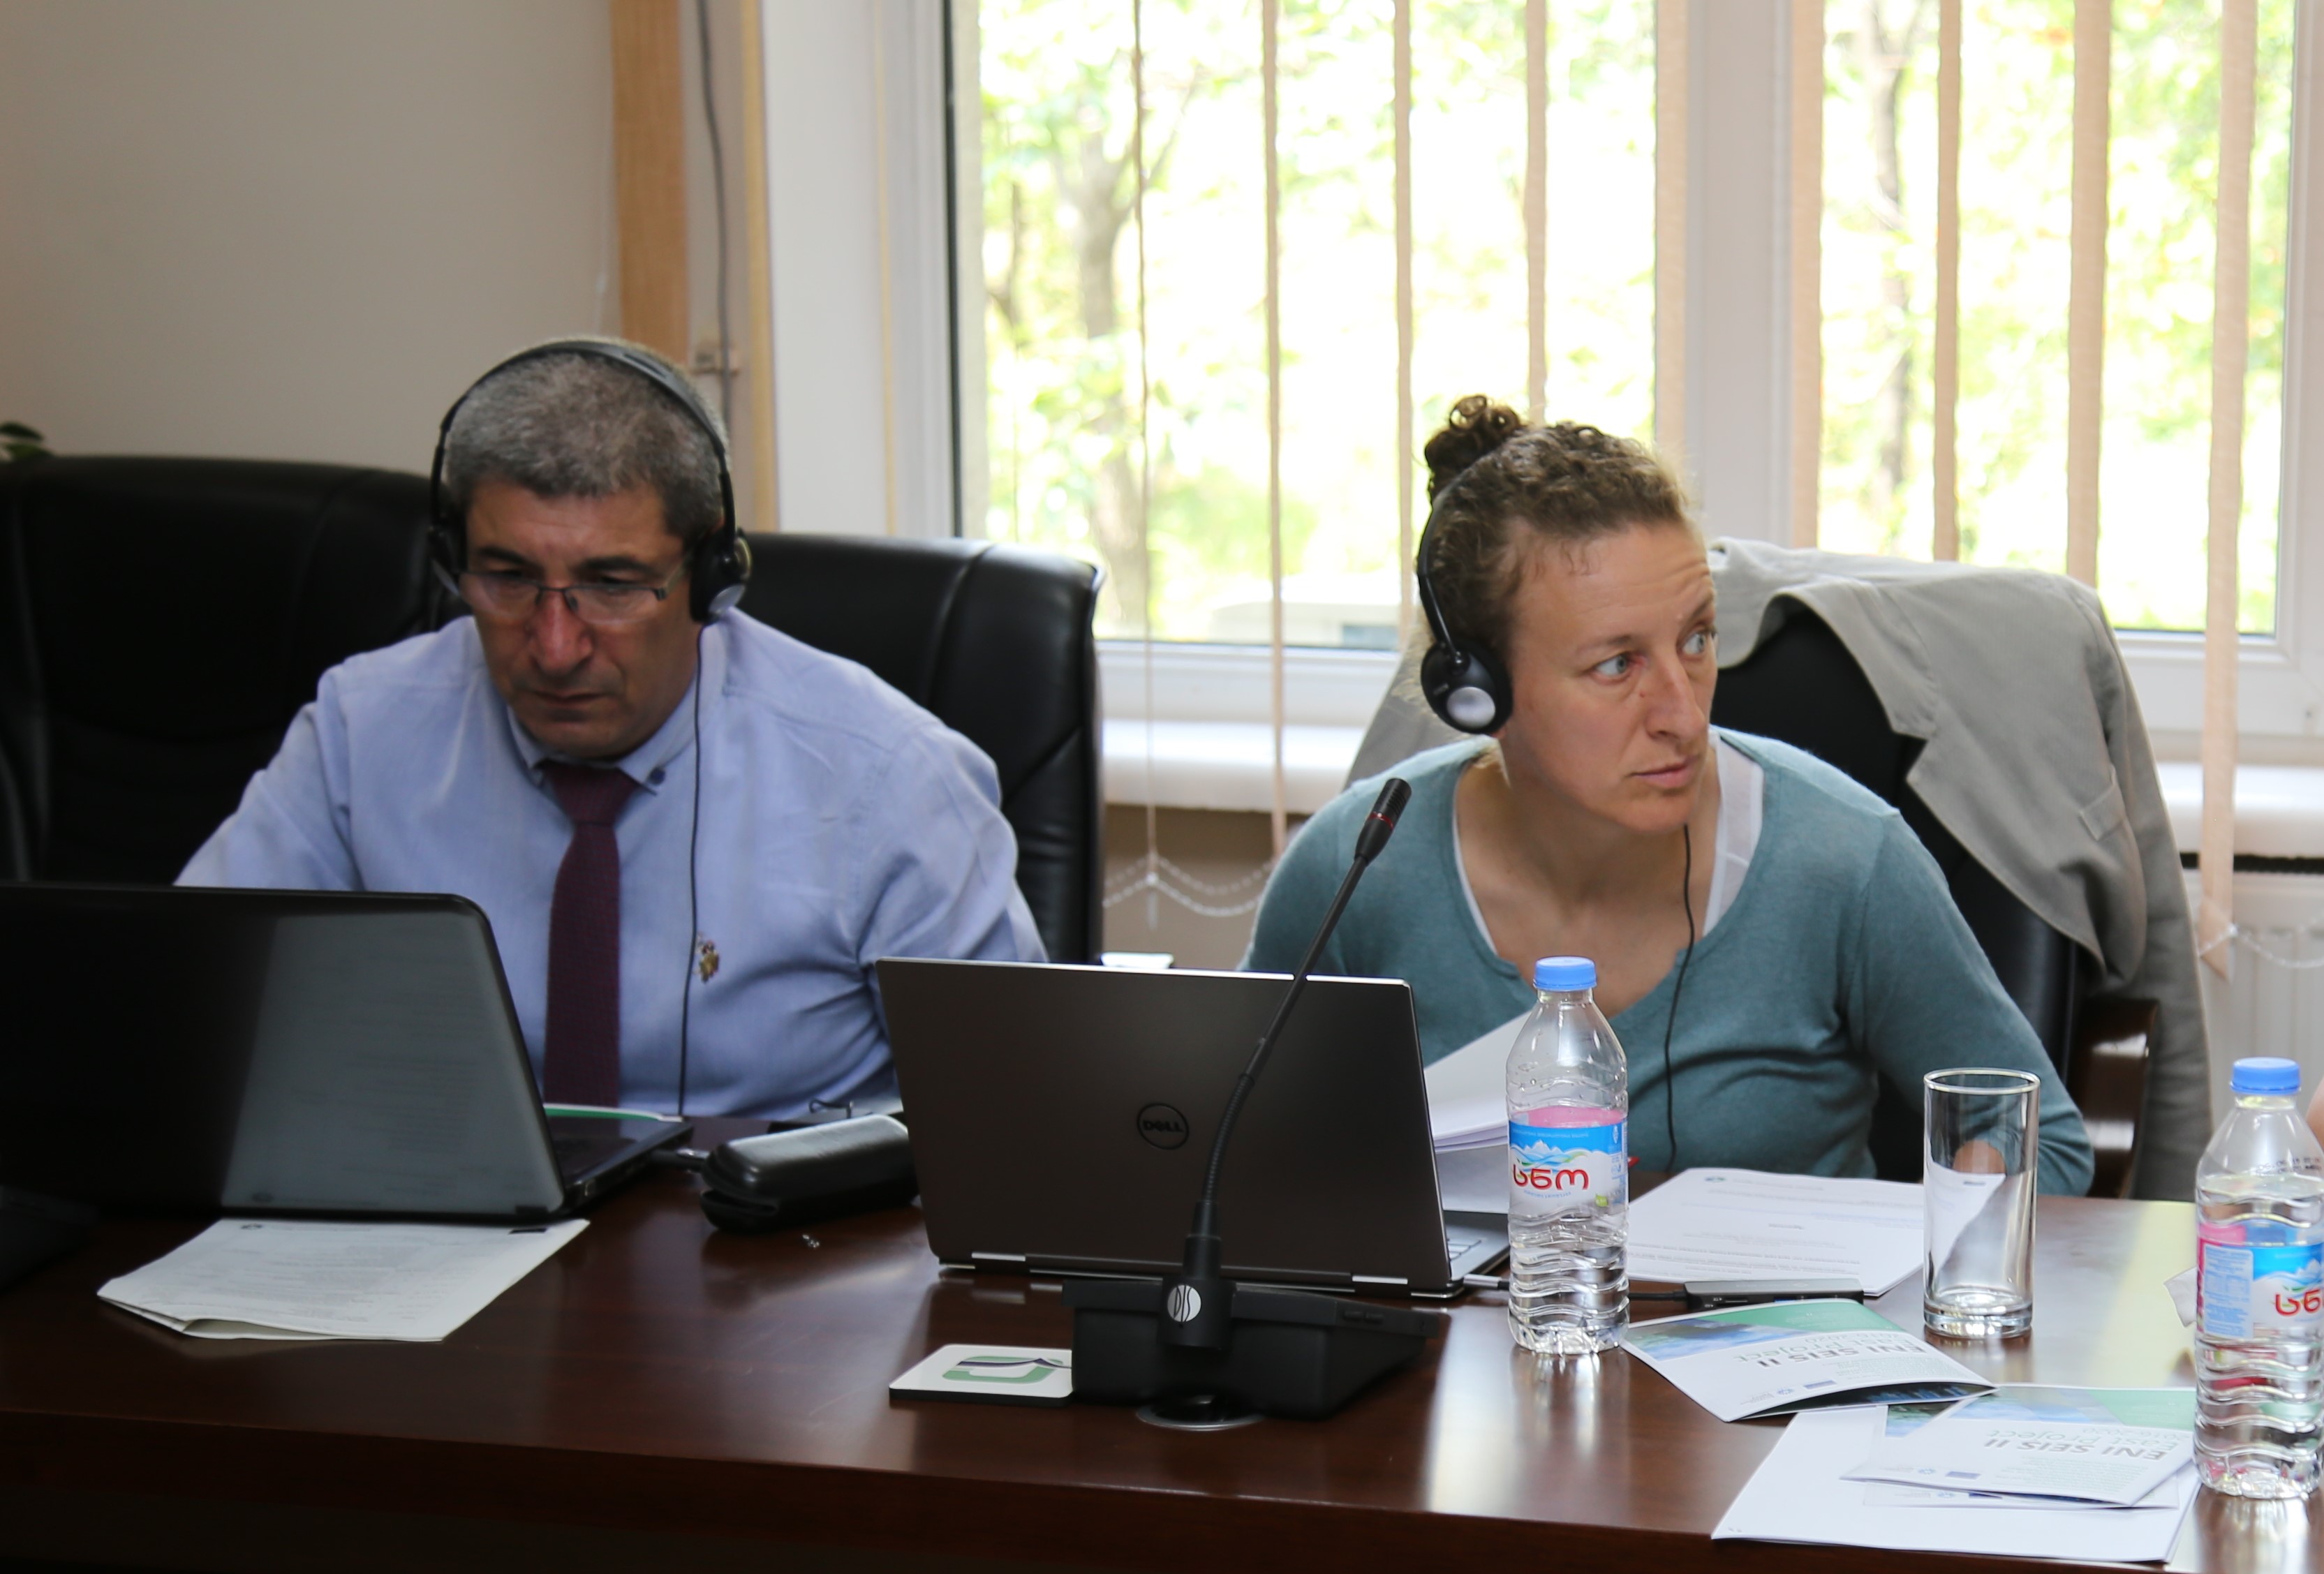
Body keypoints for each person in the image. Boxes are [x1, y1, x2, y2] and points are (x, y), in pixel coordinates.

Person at [1246, 395, 2092, 1193]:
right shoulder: (1356, 867)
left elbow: (2041, 1138)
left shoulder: (1846, 857)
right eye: (1616, 664)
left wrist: (1960, 1214)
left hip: (1785, 1301)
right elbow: (1236, 1146)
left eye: (1695, 640)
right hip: (1477, 1307)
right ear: (1477, 692)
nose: (1683, 715)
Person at [182, 339, 1043, 1118]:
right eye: (507, 577)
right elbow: (189, 1006)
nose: (555, 647)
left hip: (782, 1229)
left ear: (711, 572)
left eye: (613, 585)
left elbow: (1019, 1115)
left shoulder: (887, 776)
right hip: (444, 1215)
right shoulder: (361, 731)